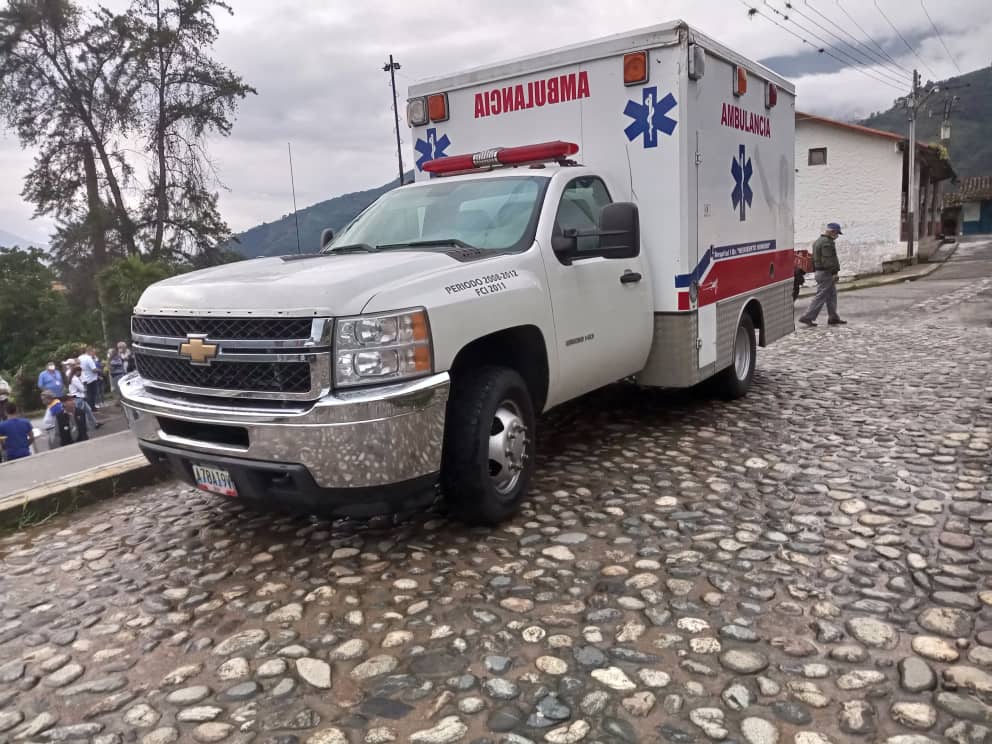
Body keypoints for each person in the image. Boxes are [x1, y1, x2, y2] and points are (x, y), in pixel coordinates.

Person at [798, 222, 848, 327]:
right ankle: (807, 317)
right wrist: (834, 273)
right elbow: (828, 259)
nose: (837, 236)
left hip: (821, 272)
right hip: (826, 273)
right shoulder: (827, 243)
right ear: (832, 232)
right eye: (837, 233)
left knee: (832, 295)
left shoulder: (818, 241)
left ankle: (833, 317)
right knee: (821, 296)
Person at [67, 362, 100, 431]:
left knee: (88, 410)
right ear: (77, 371)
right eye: (80, 372)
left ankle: (95, 423)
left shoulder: (73, 378)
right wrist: (84, 388)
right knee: (83, 413)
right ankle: (85, 427)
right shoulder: (74, 379)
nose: (81, 373)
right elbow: (81, 388)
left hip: (79, 397)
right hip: (78, 398)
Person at [78, 346, 100, 410]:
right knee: (92, 393)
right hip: (91, 378)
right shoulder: (88, 358)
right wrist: (100, 371)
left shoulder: (79, 358)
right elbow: (94, 369)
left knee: (87, 393)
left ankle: (89, 407)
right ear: (87, 351)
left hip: (83, 378)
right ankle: (92, 407)